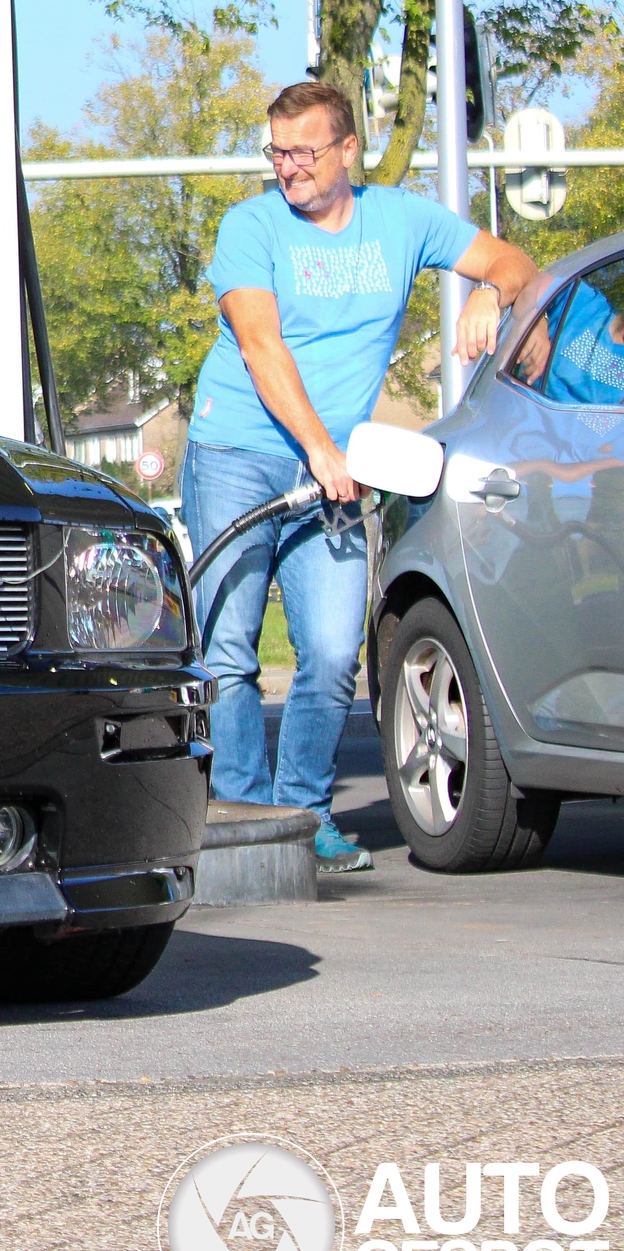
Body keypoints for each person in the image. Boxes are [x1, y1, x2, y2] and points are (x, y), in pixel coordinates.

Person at [185, 79, 536, 873]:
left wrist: (488, 290)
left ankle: (304, 817)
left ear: (349, 149)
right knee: (231, 648)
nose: (287, 167)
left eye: (303, 151)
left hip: (333, 473)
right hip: (240, 452)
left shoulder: (401, 221)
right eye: (276, 151)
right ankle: (240, 822)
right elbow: (260, 345)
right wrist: (318, 447)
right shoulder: (250, 226)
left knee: (337, 648)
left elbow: (515, 261)